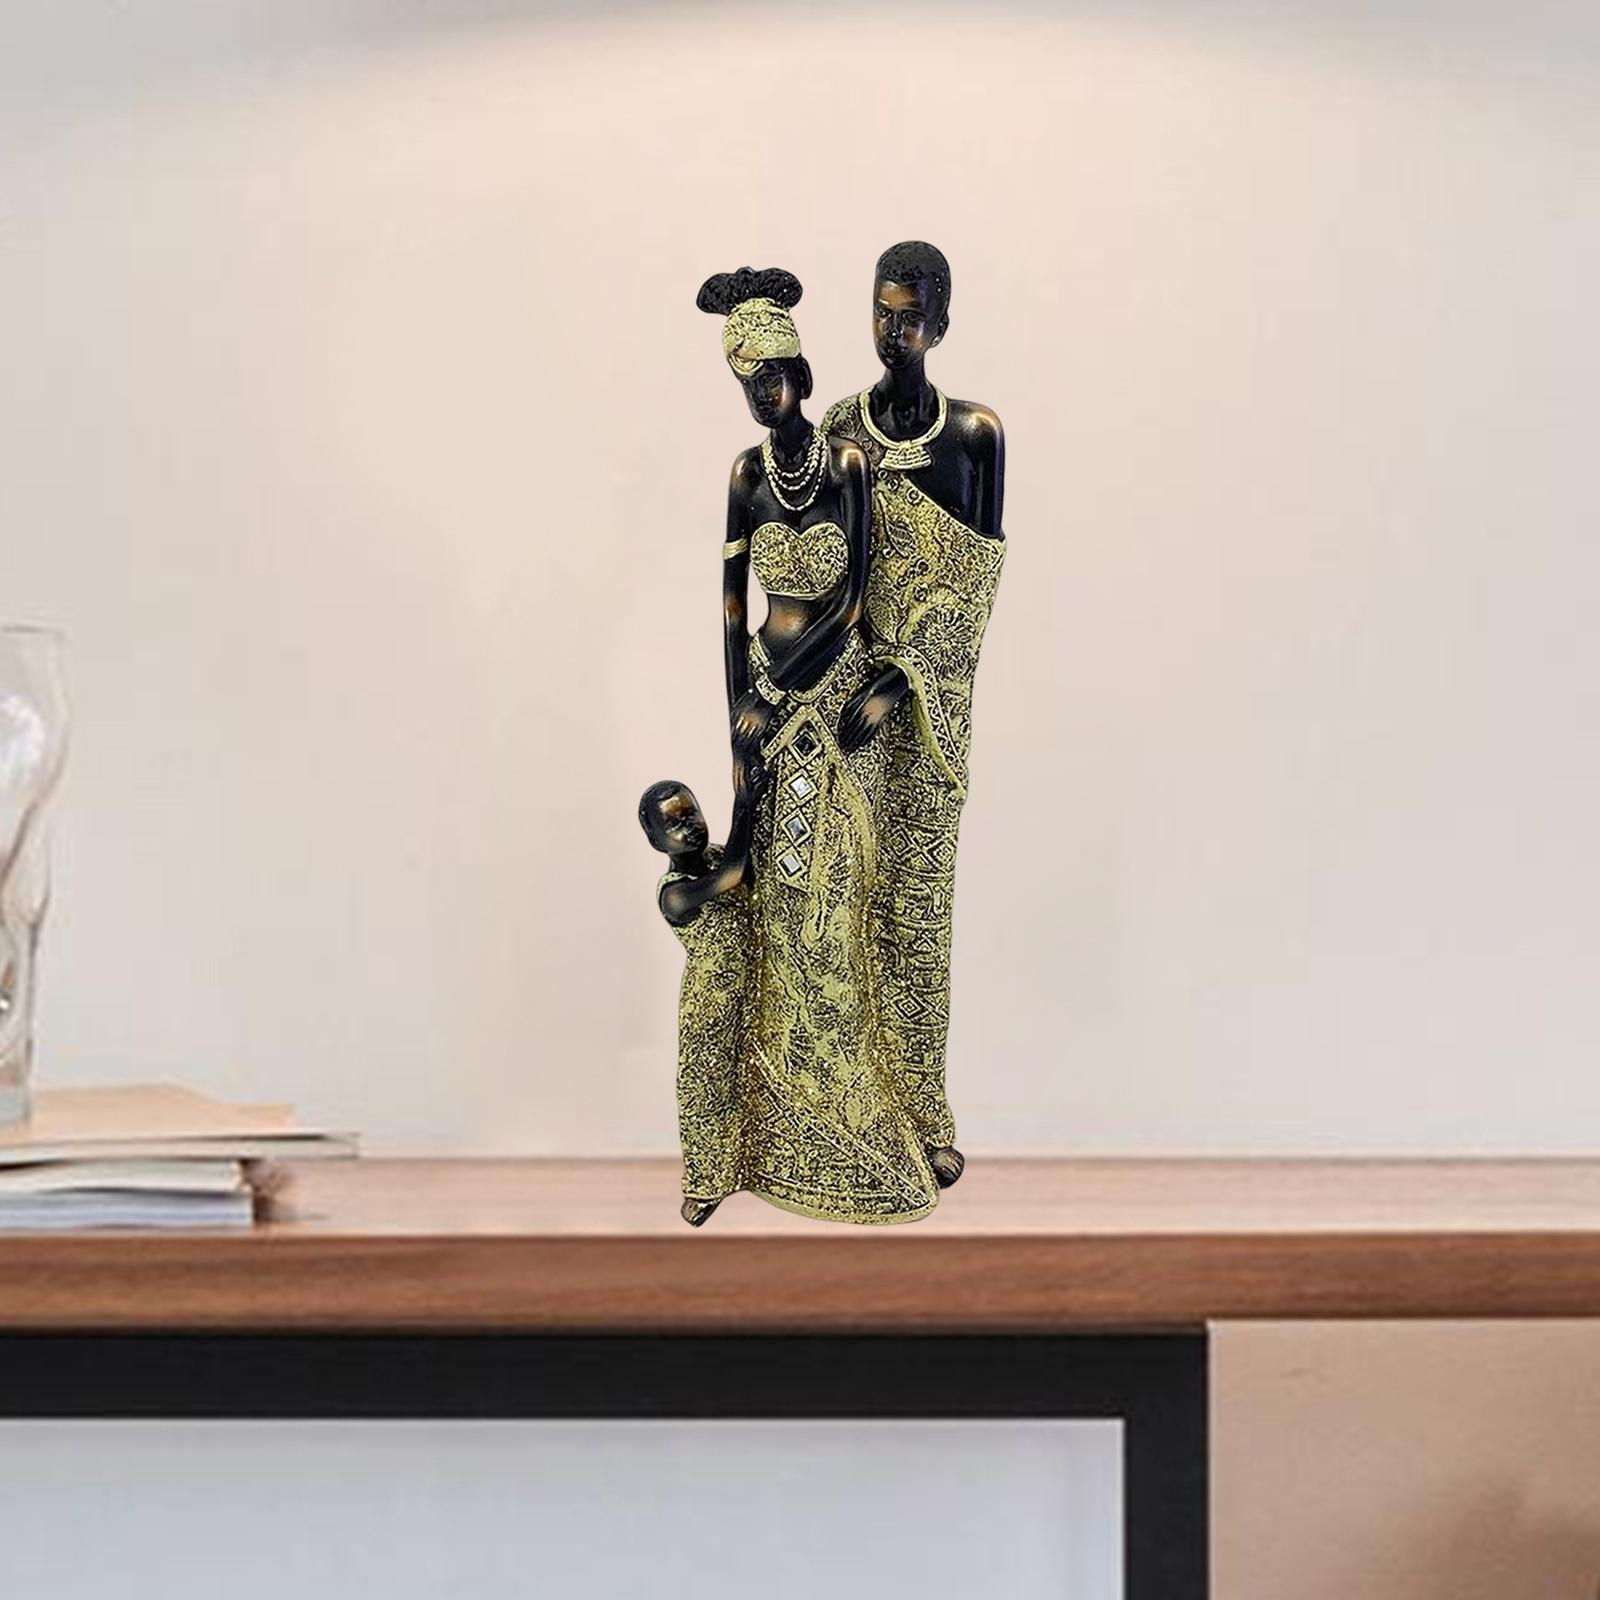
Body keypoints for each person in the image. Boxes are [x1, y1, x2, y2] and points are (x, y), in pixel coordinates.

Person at [696, 264, 939, 1224]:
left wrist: (785, 694)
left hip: (830, 704)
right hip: (763, 698)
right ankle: (778, 1132)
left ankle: (858, 1121)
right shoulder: (745, 476)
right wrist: (738, 710)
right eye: (747, 384)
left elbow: (854, 602)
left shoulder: (845, 466)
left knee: (835, 900)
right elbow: (730, 607)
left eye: (774, 376)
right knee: (776, 901)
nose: (764, 396)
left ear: (798, 373)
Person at [822, 241, 1007, 1188]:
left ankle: (923, 1111)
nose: (893, 333)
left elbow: (971, 593)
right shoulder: (837, 430)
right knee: (842, 901)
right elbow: (822, 571)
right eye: (881, 313)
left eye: (910, 317)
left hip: (929, 714)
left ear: (940, 324)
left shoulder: (975, 437)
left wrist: (903, 680)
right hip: (841, 702)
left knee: (918, 913)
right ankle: (846, 1113)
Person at [640, 759, 764, 1227]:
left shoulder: (715, 854)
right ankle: (705, 1183)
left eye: (690, 813)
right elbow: (734, 874)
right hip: (711, 1004)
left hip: (755, 987)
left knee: (754, 1080)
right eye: (673, 823)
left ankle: (755, 1165)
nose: (688, 826)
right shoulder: (674, 893)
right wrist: (745, 803)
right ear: (655, 841)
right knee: (707, 1093)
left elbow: (746, 862)